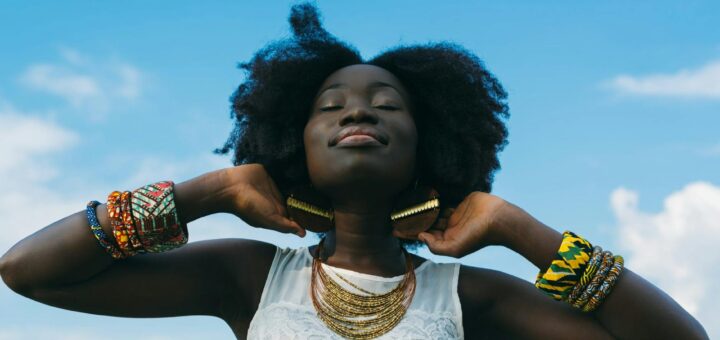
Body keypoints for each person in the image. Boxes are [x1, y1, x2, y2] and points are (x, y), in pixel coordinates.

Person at [0, 3, 708, 339]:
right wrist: (207, 192)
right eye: (328, 105)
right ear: (293, 144)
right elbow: (29, 270)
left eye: (386, 104)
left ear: (429, 147)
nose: (355, 113)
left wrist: (522, 232)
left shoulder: (469, 299)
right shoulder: (251, 279)